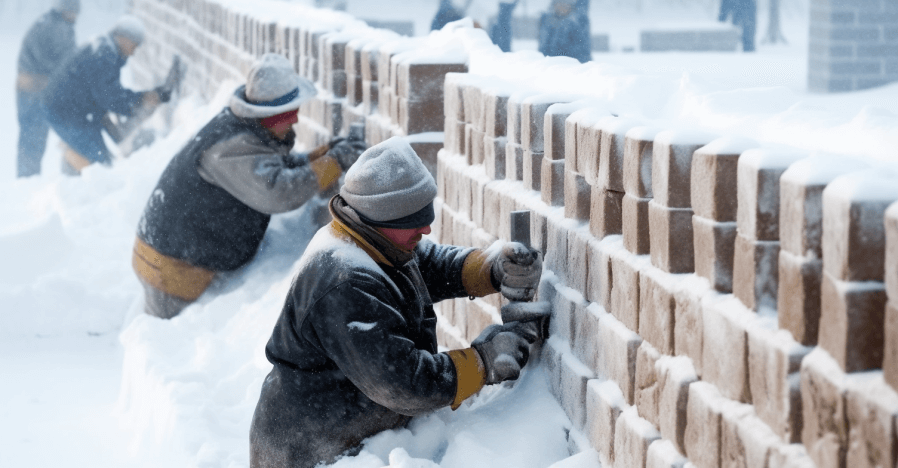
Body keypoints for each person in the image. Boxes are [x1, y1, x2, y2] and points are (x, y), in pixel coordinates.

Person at [249, 137, 545, 468]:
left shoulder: (374, 240)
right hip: (310, 451)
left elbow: (430, 264)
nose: (427, 227)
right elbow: (404, 384)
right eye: (413, 221)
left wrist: (490, 268)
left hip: (347, 434)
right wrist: (482, 362)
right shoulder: (345, 282)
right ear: (381, 220)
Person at [132, 53, 367, 320]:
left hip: (174, 258)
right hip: (173, 272)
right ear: (270, 115)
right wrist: (334, 161)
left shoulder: (243, 128)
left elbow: (271, 166)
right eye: (290, 114)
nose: (295, 121)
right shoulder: (231, 147)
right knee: (173, 346)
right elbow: (278, 192)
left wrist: (323, 155)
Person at [42, 15, 174, 174]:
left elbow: (106, 93)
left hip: (77, 109)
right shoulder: (104, 55)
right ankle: (74, 169)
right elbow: (110, 98)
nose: (133, 53)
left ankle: (76, 163)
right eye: (135, 45)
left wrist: (136, 104)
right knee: (99, 164)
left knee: (100, 157)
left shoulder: (107, 47)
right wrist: (143, 98)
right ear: (124, 38)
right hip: (65, 112)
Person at [15, 0, 79, 177]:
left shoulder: (54, 24)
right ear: (66, 10)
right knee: (34, 137)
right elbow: (63, 63)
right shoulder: (55, 27)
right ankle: (27, 180)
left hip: (34, 89)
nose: (76, 16)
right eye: (74, 11)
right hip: (35, 90)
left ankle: (27, 178)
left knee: (33, 137)